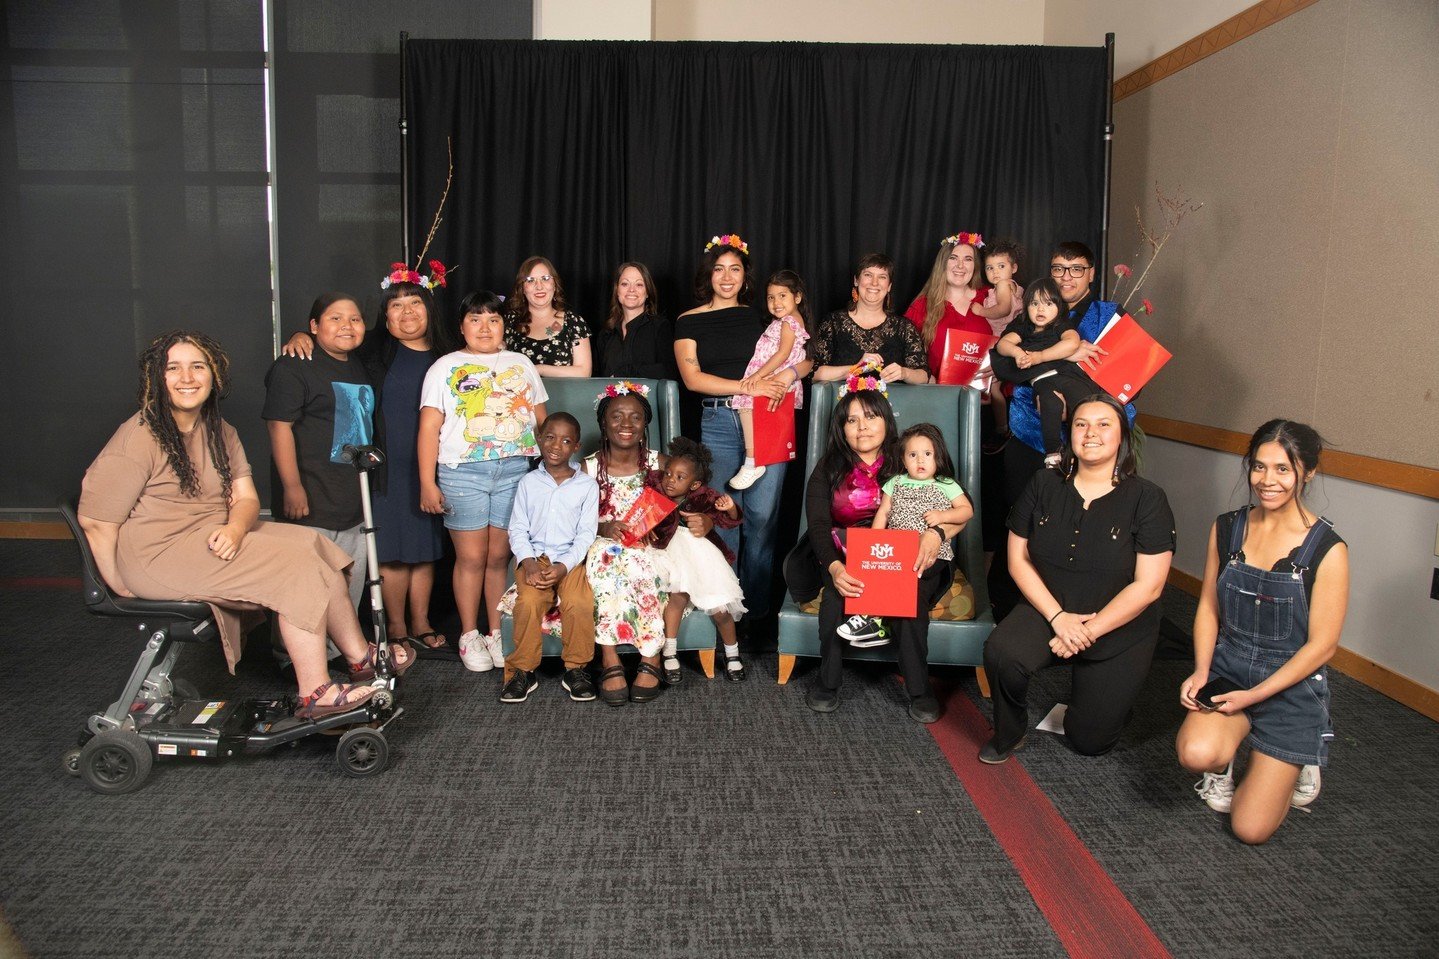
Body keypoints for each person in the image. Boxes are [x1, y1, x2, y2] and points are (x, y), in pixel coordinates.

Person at [78, 331, 415, 720]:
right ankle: (315, 691)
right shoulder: (138, 436)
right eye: (174, 368)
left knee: (313, 546)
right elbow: (96, 521)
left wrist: (237, 529)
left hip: (212, 536)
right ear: (157, 377)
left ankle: (360, 658)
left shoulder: (219, 431)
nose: (187, 377)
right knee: (293, 569)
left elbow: (247, 499)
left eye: (197, 366)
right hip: (157, 556)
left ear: (214, 374)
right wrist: (118, 584)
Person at [1176, 420, 1348, 845]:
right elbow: (1208, 608)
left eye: (1283, 469)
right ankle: (1228, 761)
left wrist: (1254, 697)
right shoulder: (1228, 527)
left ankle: (1300, 761)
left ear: (1307, 472)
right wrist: (1201, 671)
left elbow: (1323, 646)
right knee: (1196, 753)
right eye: (1258, 467)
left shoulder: (1328, 548)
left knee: (1249, 829)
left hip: (1290, 686)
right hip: (1230, 667)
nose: (1267, 481)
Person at [981, 394, 1174, 762]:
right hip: (1050, 607)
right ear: (1069, 434)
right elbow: (1017, 559)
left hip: (1119, 623)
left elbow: (1148, 586)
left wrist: (1086, 631)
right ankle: (1011, 730)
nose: (1091, 433)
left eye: (1104, 424)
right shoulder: (1043, 483)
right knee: (1002, 652)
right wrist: (1057, 618)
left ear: (1122, 436)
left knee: (1089, 741)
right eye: (1081, 424)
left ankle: (1104, 706)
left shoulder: (1148, 498)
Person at [279, 267, 451, 654]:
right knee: (390, 546)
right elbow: (334, 340)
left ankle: (421, 620)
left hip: (431, 465)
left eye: (415, 303)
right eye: (397, 305)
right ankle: (394, 625)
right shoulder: (373, 349)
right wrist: (300, 336)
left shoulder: (449, 352)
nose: (407, 312)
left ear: (429, 308)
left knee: (425, 545)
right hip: (384, 466)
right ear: (385, 315)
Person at [782, 378, 965, 724]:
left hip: (910, 552)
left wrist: (937, 532)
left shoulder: (909, 458)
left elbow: (959, 507)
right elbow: (818, 527)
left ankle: (919, 689)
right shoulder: (828, 468)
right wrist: (835, 568)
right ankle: (828, 681)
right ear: (842, 428)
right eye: (852, 420)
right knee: (837, 597)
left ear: (886, 420)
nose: (862, 427)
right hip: (843, 552)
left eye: (870, 417)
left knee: (909, 598)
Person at [675, 233, 805, 629]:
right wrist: (747, 387)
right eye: (719, 269)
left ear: (745, 276)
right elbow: (693, 378)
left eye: (735, 269)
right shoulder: (688, 320)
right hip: (718, 421)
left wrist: (785, 376)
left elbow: (807, 357)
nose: (726, 277)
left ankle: (758, 615)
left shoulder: (765, 315)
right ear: (708, 275)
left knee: (763, 520)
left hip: (768, 416)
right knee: (721, 514)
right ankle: (725, 611)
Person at [419, 290, 548, 674]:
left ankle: (495, 631)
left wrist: (553, 470)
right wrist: (427, 482)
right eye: (475, 319)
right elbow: (429, 427)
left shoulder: (520, 363)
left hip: (514, 470)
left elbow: (543, 419)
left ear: (503, 325)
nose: (485, 327)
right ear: (462, 326)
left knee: (498, 557)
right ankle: (469, 633)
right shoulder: (444, 367)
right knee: (471, 557)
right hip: (463, 473)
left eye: (493, 319)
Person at [582, 385, 714, 704]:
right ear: (603, 423)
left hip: (653, 546)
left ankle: (650, 655)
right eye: (617, 416)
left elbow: (699, 498)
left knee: (642, 562)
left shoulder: (660, 462)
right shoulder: (587, 468)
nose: (626, 423)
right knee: (606, 558)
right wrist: (604, 526)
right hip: (605, 546)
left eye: (635, 417)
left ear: (645, 425)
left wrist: (706, 520)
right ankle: (609, 657)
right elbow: (573, 521)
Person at [263, 292, 374, 625]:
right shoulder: (294, 366)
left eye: (354, 319)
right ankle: (293, 657)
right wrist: (292, 487)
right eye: (335, 318)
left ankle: (340, 652)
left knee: (348, 583)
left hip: (353, 496)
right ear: (314, 325)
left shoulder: (357, 362)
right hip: (311, 494)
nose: (347, 326)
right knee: (308, 584)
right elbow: (278, 427)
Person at [1003, 241, 1131, 506]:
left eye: (1076, 269)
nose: (1066, 277)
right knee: (1022, 523)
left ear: (1091, 274)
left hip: (1092, 446)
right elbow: (1002, 364)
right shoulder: (1031, 313)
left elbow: (1132, 384)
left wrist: (1078, 407)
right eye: (1059, 269)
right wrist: (1063, 353)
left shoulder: (1110, 316)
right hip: (1030, 434)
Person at [837, 422, 973, 648]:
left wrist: (942, 515)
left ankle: (873, 617)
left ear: (937, 456)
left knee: (905, 578)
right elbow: (883, 512)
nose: (920, 460)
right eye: (913, 454)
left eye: (927, 454)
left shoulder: (945, 484)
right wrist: (873, 542)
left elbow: (966, 511)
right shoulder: (896, 482)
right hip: (897, 551)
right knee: (879, 572)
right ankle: (873, 619)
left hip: (932, 553)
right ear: (903, 459)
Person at [504, 412, 599, 704]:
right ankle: (523, 671)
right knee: (530, 602)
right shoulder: (528, 483)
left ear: (576, 447)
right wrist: (528, 561)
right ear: (539, 439)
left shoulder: (586, 486)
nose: (556, 445)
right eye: (550, 437)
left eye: (566, 440)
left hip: (570, 559)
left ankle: (577, 669)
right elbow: (518, 527)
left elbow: (586, 534)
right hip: (536, 558)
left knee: (579, 602)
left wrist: (564, 566)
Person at [648, 437, 746, 683]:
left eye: (680, 477)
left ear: (695, 485)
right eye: (668, 473)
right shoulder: (655, 489)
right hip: (668, 554)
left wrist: (730, 507)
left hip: (700, 554)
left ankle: (732, 653)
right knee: (677, 596)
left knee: (720, 607)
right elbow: (642, 512)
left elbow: (729, 520)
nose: (671, 480)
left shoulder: (704, 497)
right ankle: (669, 652)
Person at [990, 277, 1098, 467]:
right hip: (1042, 381)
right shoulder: (1023, 327)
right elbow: (1003, 345)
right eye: (1034, 303)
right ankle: (1053, 454)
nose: (1041, 309)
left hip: (1065, 375)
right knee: (1049, 404)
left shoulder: (1061, 325)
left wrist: (1039, 356)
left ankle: (1081, 451)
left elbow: (1072, 343)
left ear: (1059, 307)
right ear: (1026, 306)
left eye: (1048, 303)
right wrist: (1017, 353)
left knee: (1081, 404)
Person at [728, 269, 812, 490]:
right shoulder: (787, 320)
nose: (775, 302)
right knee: (757, 415)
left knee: (745, 401)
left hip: (774, 377)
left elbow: (783, 353)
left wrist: (757, 376)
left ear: (798, 297)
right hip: (775, 376)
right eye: (770, 297)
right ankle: (754, 459)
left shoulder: (789, 322)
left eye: (782, 296)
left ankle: (752, 460)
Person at [809, 253, 928, 384]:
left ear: (889, 286)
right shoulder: (832, 322)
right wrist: (855, 369)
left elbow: (923, 375)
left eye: (882, 277)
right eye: (868, 275)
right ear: (856, 280)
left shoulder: (904, 327)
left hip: (892, 404)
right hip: (842, 402)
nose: (874, 282)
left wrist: (905, 373)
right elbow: (813, 372)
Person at [904, 232, 993, 385]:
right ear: (942, 263)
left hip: (983, 400)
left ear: (976, 266)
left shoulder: (990, 298)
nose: (960, 265)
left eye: (968, 259)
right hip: (936, 397)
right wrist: (926, 378)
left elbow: (1015, 337)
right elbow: (903, 351)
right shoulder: (922, 306)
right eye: (953, 258)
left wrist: (1001, 367)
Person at [505, 256, 593, 377]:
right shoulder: (510, 321)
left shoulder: (573, 322)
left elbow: (584, 372)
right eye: (530, 280)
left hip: (564, 395)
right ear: (522, 288)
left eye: (545, 279)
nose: (539, 286)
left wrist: (539, 369)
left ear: (555, 284)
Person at [593, 261, 676, 380]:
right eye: (625, 284)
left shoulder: (660, 326)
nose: (631, 290)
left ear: (647, 292)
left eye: (639, 285)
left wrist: (626, 372)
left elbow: (669, 370)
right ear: (617, 291)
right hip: (609, 397)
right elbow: (598, 378)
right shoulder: (606, 334)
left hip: (646, 396)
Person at [977, 240, 1025, 438]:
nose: (995, 272)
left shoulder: (1004, 285)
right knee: (997, 387)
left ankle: (1002, 429)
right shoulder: (1008, 286)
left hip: (1002, 343)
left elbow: (1003, 309)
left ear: (1014, 268)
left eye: (1001, 266)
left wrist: (981, 310)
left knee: (994, 388)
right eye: (990, 267)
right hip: (1004, 342)